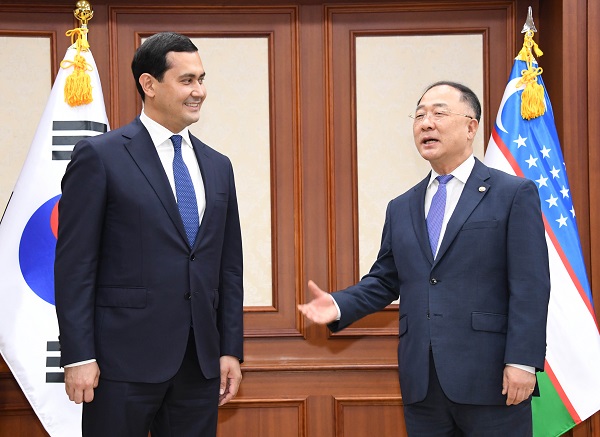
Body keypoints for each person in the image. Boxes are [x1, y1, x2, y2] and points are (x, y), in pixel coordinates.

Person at [298, 81, 550, 436]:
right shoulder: (402, 206)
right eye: (419, 116)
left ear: (471, 126)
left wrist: (522, 361)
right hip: (423, 383)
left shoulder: (512, 194)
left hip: (492, 378)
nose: (426, 123)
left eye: (439, 113)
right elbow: (385, 279)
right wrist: (339, 305)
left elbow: (530, 285)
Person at [55, 32, 244, 437]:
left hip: (200, 364)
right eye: (187, 80)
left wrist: (229, 348)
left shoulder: (218, 166)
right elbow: (75, 266)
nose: (200, 91)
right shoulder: (100, 156)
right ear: (149, 84)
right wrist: (78, 356)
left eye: (202, 79)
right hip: (119, 364)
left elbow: (228, 268)